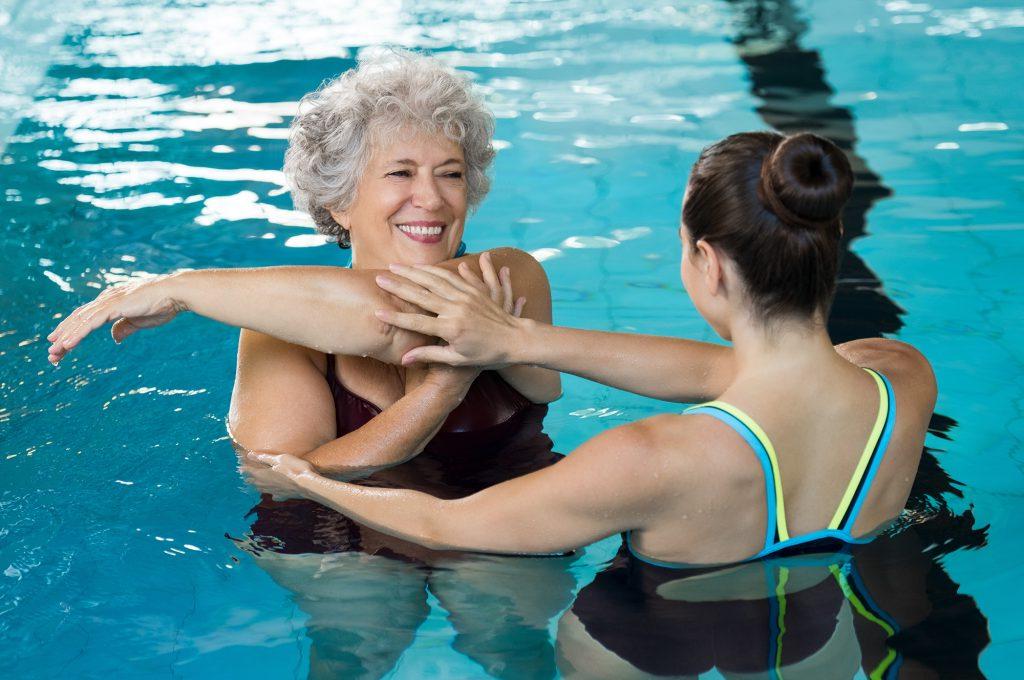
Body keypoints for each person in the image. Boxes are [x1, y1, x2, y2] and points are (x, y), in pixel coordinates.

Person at [46, 49, 571, 678]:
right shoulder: (275, 328)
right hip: (339, 531)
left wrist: (184, 285)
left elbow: (392, 314)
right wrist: (437, 395)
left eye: (451, 174)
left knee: (512, 644)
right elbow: (284, 477)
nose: (429, 199)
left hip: (499, 506)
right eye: (400, 173)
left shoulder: (509, 277)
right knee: (358, 639)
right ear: (343, 204)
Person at [250, 130, 937, 569]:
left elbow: (438, 524)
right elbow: (739, 371)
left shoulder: (648, 461)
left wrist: (304, 476)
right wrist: (522, 341)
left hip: (652, 650)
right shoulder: (902, 379)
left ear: (710, 265)